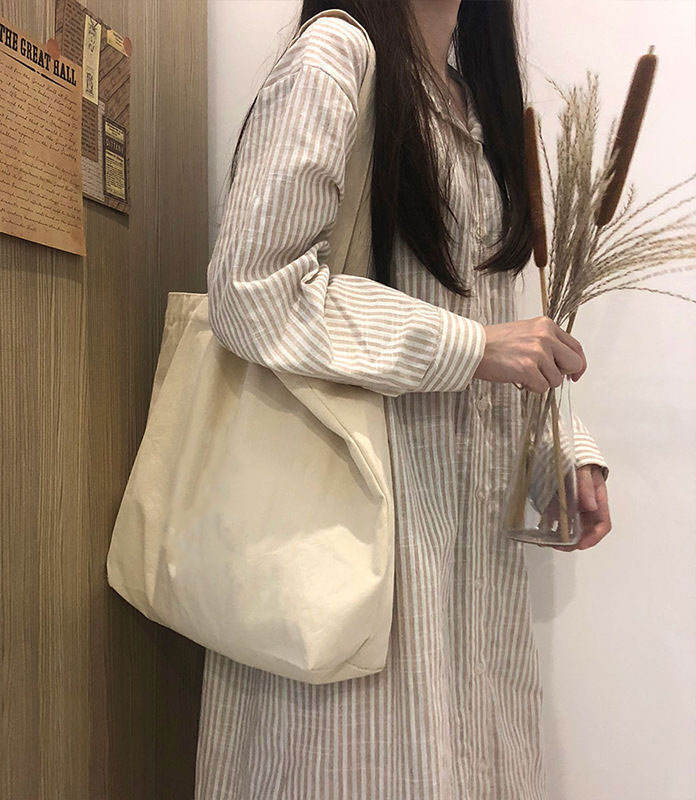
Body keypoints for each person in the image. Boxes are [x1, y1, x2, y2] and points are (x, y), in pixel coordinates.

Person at [195, 1, 612, 797]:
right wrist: (472, 348)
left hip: (468, 584)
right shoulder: (337, 57)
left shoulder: (473, 102)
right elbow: (252, 289)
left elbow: (495, 326)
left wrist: (559, 453)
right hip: (354, 555)